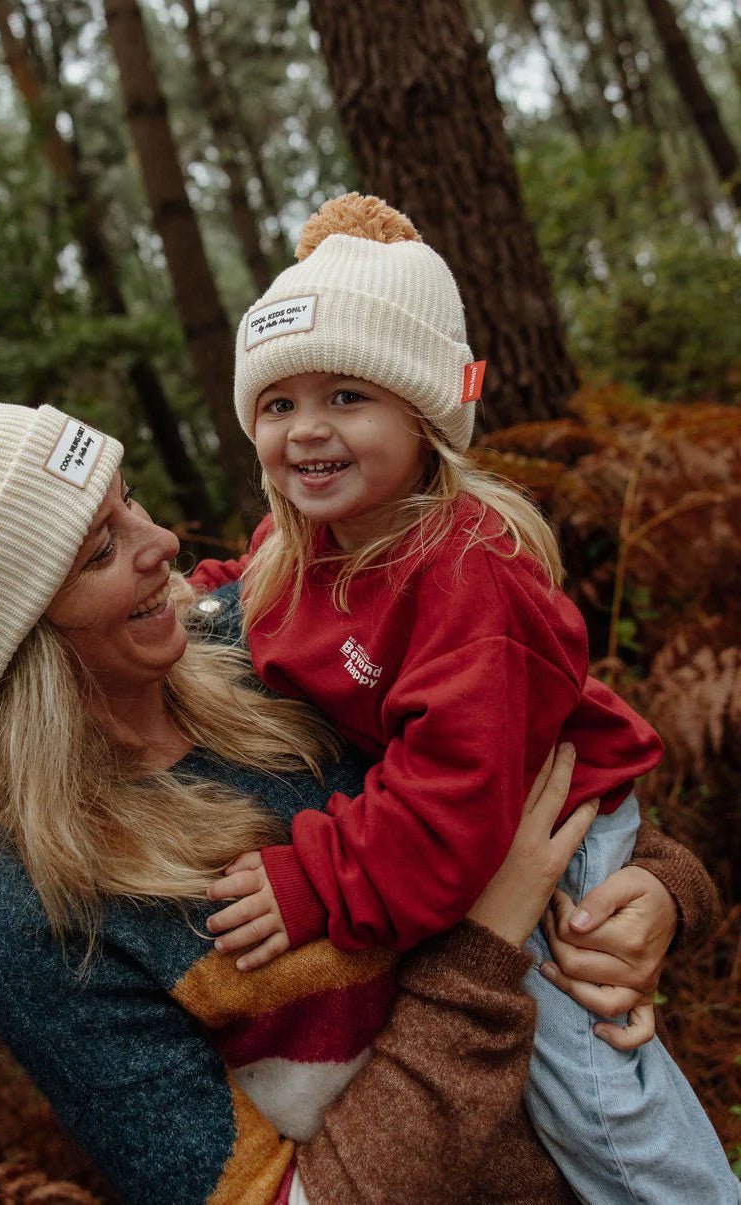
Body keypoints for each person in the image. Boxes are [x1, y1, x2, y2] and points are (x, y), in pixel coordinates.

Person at [0, 399, 722, 1203]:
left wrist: (655, 894)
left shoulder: (273, 642)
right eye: (97, 550)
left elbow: (532, 743)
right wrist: (485, 945)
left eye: (128, 503)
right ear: (18, 642)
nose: (160, 538)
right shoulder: (46, 929)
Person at [191, 193, 739, 1202]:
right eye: (279, 404)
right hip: (468, 822)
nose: (306, 429)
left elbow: (450, 807)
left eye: (347, 396)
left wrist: (313, 880)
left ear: (424, 413)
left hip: (548, 825)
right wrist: (185, 607)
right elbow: (239, 587)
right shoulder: (301, 548)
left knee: (591, 1091)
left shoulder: (461, 575)